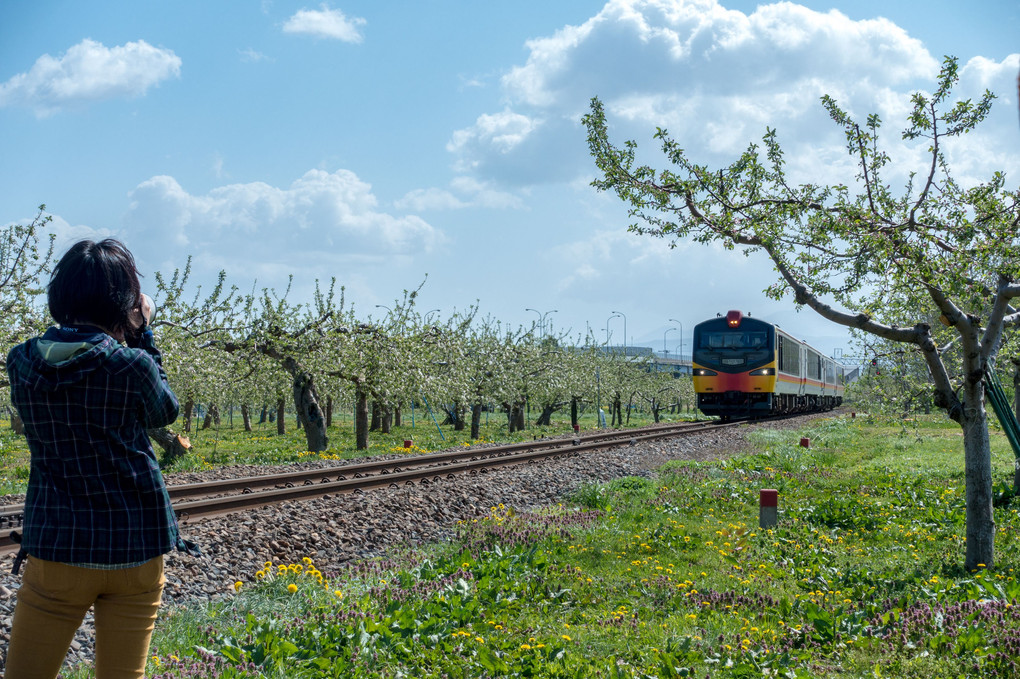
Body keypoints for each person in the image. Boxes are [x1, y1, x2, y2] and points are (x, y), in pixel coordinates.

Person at [4, 238, 198, 679]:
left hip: (57, 545)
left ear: (60, 295)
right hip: (134, 546)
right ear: (125, 304)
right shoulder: (131, 365)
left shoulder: (20, 362)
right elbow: (164, 411)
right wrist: (143, 333)